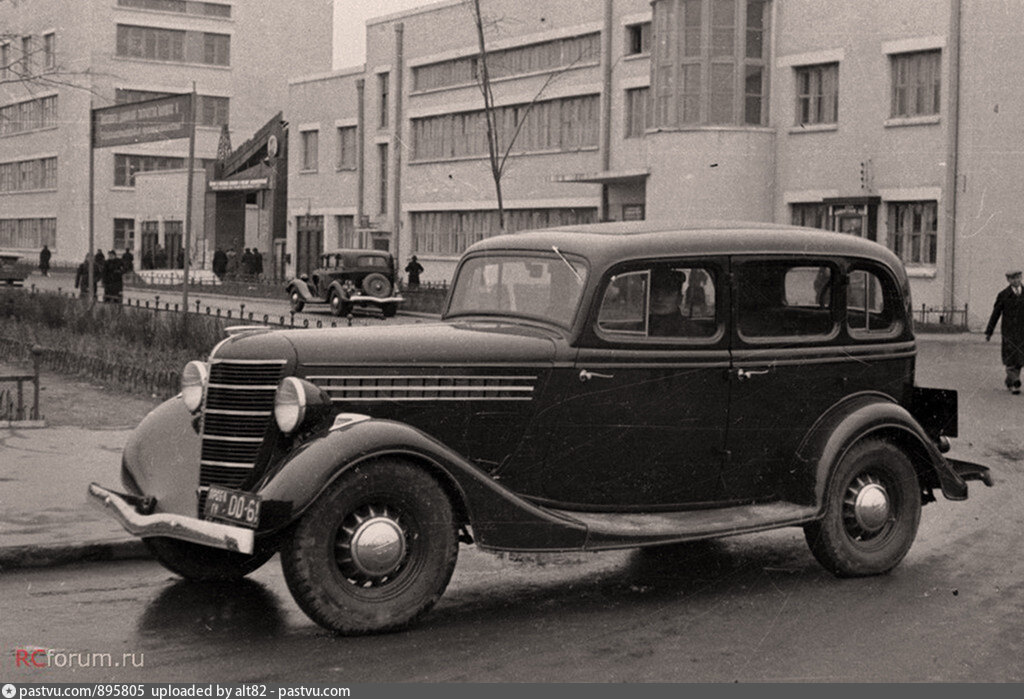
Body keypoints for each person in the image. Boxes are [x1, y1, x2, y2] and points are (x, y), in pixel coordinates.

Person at [985, 269, 1024, 394]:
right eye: (1013, 278)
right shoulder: (1003, 295)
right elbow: (995, 314)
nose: (1016, 280)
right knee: (1011, 358)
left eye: (1018, 277)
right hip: (1009, 332)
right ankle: (1015, 382)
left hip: (1022, 332)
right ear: (1008, 280)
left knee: (1019, 360)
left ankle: (1010, 381)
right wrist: (989, 332)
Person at [648, 269, 688, 337]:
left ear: (679, 299)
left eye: (668, 293)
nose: (659, 298)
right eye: (654, 292)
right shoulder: (641, 326)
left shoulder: (689, 330)